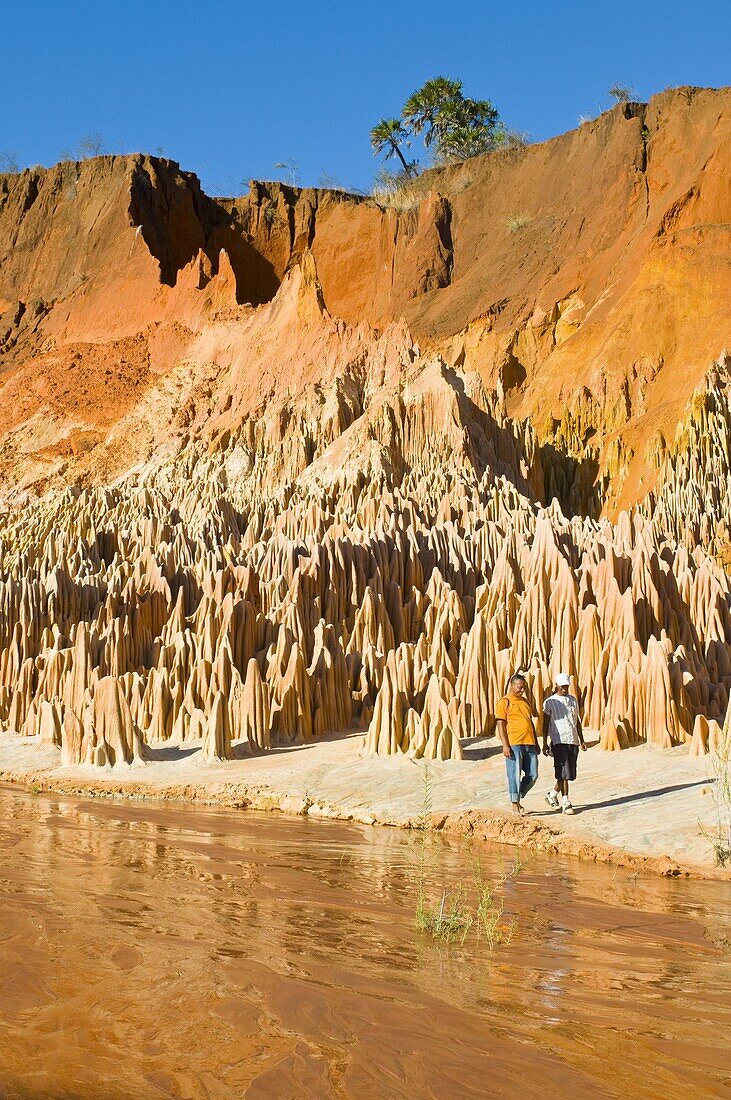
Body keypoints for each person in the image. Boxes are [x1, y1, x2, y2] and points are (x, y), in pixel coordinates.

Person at [542, 672, 586, 814]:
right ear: (557, 686)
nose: (565, 689)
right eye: (562, 687)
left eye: (566, 686)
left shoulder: (573, 700)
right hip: (558, 740)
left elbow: (577, 721)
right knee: (563, 771)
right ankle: (566, 802)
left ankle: (552, 795)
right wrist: (544, 742)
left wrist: (582, 740)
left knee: (570, 773)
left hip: (572, 740)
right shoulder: (549, 702)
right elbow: (545, 723)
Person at [495, 673, 539, 815]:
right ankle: (515, 805)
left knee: (533, 774)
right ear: (512, 685)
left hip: (529, 742)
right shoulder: (504, 702)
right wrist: (505, 745)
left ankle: (517, 796)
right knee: (514, 774)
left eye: (524, 688)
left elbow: (530, 722)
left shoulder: (525, 702)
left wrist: (536, 742)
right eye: (519, 688)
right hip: (514, 743)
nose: (522, 690)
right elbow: (501, 724)